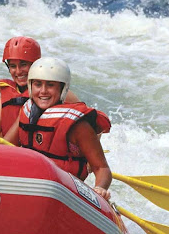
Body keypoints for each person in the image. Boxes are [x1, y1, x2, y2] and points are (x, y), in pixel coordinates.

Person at [9, 57, 112, 200]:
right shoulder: (26, 111)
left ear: (62, 89)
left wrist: (100, 188)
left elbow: (102, 169)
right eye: (38, 84)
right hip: (31, 186)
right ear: (30, 86)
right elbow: (5, 146)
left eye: (50, 85)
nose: (43, 91)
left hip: (65, 195)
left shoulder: (78, 126)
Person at [0, 36, 80, 139]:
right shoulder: (4, 98)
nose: (18, 71)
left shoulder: (56, 94)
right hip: (13, 152)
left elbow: (88, 127)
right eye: (13, 66)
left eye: (23, 65)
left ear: (36, 65)